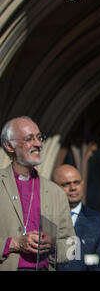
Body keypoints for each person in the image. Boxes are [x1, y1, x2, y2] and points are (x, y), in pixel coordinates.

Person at [0, 116, 75, 271]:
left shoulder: (56, 193)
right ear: (9, 146)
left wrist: (53, 244)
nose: (38, 144)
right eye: (29, 139)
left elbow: (73, 248)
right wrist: (14, 243)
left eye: (40, 138)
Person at [52, 164, 100, 271]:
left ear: (83, 184)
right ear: (54, 187)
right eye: (66, 184)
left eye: (76, 182)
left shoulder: (99, 222)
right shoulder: (43, 218)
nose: (73, 188)